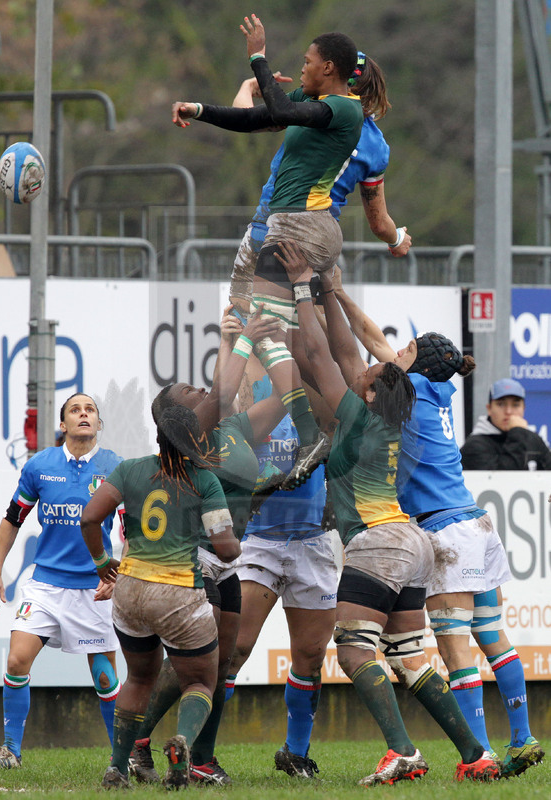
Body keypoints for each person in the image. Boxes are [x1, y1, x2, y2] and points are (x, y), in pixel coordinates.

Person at [276, 239, 499, 784]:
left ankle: (403, 751)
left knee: (353, 651)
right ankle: (476, 754)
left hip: (378, 541)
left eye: (372, 377)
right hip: (411, 542)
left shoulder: (357, 410)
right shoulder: (396, 409)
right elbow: (349, 355)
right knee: (407, 656)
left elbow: (324, 355)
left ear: (372, 394)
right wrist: (327, 288)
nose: (366, 373)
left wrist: (305, 288)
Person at [172, 15, 364, 480]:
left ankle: (322, 428)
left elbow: (278, 111)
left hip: (301, 227)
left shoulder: (343, 109)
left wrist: (258, 56)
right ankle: (327, 423)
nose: (301, 68)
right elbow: (258, 117)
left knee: (260, 328)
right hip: (290, 225)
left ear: (330, 67)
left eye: (307, 62)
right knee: (275, 334)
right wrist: (199, 109)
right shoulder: (315, 99)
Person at [127, 307, 286, 785]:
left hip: (228, 563)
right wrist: (240, 340)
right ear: (179, 416)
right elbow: (219, 392)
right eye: (189, 393)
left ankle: (197, 757)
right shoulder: (189, 441)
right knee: (203, 667)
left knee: (225, 662)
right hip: (190, 562)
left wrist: (284, 346)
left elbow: (286, 396)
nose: (201, 390)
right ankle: (149, 746)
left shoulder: (233, 430)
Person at [390, 336, 545, 778]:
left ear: (420, 361)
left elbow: (372, 345)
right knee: (493, 637)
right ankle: (522, 738)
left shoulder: (413, 387)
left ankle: (477, 757)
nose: (399, 350)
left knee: (455, 649)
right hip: (477, 522)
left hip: (445, 528)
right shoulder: (440, 390)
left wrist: (335, 294)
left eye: (408, 347)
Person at [81, 404, 241, 790]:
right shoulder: (205, 480)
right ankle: (183, 743)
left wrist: (103, 561)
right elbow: (225, 550)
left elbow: (89, 518)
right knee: (201, 682)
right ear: (195, 440)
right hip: (178, 594)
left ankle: (117, 768)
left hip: (131, 589)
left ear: (158, 436)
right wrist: (235, 536)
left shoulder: (130, 469)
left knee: (138, 678)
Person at [0, 394, 122, 769]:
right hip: (45, 586)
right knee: (16, 659)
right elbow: (13, 519)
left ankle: (121, 758)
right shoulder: (40, 466)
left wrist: (119, 577)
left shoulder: (115, 468)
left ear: (99, 424)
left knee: (106, 678)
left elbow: (132, 530)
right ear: (63, 424)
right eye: (75, 410)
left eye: (90, 410)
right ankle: (10, 751)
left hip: (94, 588)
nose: (84, 414)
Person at [229, 51, 411, 318]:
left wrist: (247, 86)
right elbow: (379, 223)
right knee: (308, 341)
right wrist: (397, 240)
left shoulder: (308, 112)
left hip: (268, 228)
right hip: (313, 242)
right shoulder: (375, 146)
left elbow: (244, 117)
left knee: (244, 329)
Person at [225, 367, 336, 779]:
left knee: (310, 656)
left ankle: (296, 753)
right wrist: (242, 327)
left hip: (314, 540)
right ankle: (201, 754)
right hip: (261, 540)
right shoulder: (253, 386)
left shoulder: (316, 387)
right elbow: (235, 391)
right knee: (236, 647)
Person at [460, 377, 551, 471]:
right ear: (489, 409)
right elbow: (504, 479)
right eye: (501, 404)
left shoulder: (534, 440)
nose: (508, 411)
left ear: (523, 409)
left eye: (515, 405)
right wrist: (518, 432)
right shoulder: (475, 445)